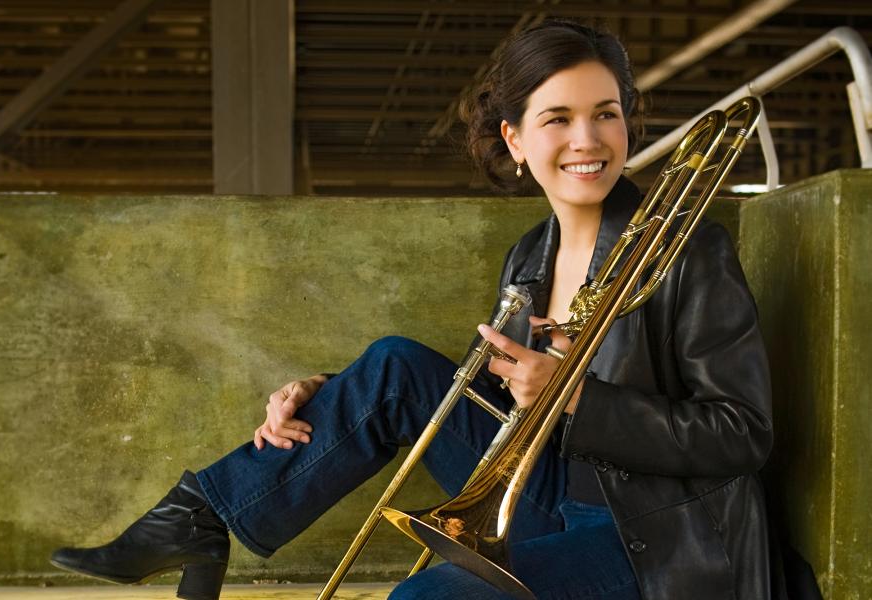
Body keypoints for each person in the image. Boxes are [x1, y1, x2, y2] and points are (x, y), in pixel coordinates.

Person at [50, 20, 774, 600]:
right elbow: (490, 396)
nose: (587, 140)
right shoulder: (531, 253)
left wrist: (578, 397)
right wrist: (328, 398)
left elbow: (742, 435)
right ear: (515, 140)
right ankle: (201, 517)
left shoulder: (688, 249)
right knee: (392, 366)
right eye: (558, 118)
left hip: (650, 529)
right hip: (549, 488)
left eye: (605, 115)